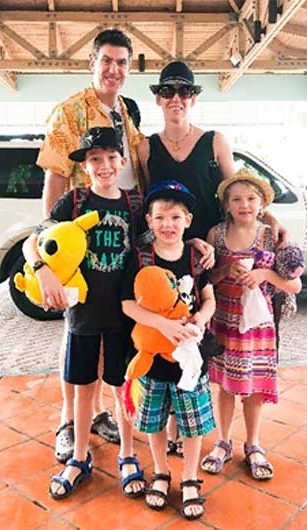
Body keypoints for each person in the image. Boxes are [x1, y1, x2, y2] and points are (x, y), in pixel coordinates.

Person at [137, 60, 288, 454]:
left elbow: (236, 190)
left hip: (211, 254)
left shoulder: (215, 141)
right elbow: (144, 204)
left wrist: (269, 215)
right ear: (157, 97)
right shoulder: (145, 146)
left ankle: (203, 428)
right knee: (167, 334)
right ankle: (171, 434)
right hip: (169, 249)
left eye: (183, 91)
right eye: (167, 91)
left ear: (193, 98)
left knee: (203, 335)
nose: (175, 99)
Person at [37, 28, 145, 460]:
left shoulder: (125, 113)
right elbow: (55, 181)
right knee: (78, 334)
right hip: (81, 246)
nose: (114, 70)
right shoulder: (68, 112)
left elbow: (136, 168)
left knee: (110, 336)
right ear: (92, 63)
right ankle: (69, 419)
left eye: (122, 62)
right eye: (107, 61)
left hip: (121, 239)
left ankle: (98, 413)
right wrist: (53, 250)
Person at [24, 127, 146, 499]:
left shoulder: (135, 204)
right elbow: (35, 240)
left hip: (123, 315)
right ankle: (79, 456)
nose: (104, 165)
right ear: (85, 166)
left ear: (122, 162)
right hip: (83, 317)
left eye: (111, 158)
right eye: (95, 159)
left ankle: (127, 453)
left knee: (121, 387)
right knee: (82, 389)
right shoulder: (73, 203)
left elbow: (159, 240)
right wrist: (42, 270)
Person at [122, 180, 216, 520]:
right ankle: (161, 472)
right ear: (149, 220)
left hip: (189, 364)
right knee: (154, 421)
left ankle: (190, 477)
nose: (168, 225)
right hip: (153, 364)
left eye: (175, 217)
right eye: (160, 217)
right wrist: (162, 325)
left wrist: (202, 319)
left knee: (192, 425)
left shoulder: (195, 257)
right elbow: (128, 304)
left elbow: (208, 298)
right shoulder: (140, 257)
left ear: (188, 220)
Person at [200, 168, 301, 480]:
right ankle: (223, 441)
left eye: (251, 198)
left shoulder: (272, 236)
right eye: (237, 199)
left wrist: (263, 275)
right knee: (226, 386)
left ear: (262, 203)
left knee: (254, 386)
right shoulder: (215, 234)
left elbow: (294, 285)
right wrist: (223, 272)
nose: (244, 204)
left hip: (256, 324)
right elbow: (207, 279)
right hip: (223, 319)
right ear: (227, 204)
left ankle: (253, 444)